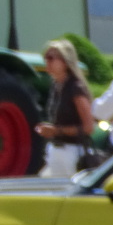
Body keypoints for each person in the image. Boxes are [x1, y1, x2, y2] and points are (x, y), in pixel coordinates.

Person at [34, 39, 96, 177]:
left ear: (65, 61)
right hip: (55, 150)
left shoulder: (76, 88)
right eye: (45, 57)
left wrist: (56, 130)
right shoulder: (56, 85)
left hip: (72, 153)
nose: (46, 61)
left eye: (51, 57)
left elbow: (89, 127)